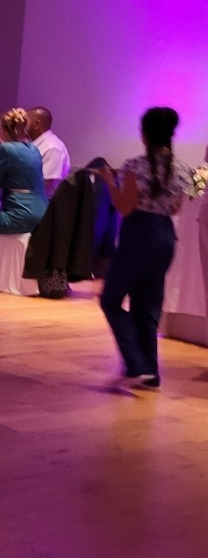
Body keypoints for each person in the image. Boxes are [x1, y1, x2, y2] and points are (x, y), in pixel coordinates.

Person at [97, 107, 194, 391]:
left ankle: (136, 363)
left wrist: (108, 182)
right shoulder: (183, 169)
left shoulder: (133, 167)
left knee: (111, 299)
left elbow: (125, 207)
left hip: (138, 233)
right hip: (165, 235)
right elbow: (176, 207)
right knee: (148, 307)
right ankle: (150, 371)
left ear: (144, 134)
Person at [0, 108, 48, 234]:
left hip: (20, 216)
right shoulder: (34, 149)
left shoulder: (5, 149)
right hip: (43, 213)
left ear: (4, 130)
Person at [28, 106, 71, 195]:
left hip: (45, 205)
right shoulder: (32, 144)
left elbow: (44, 185)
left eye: (26, 121)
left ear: (36, 124)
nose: (22, 125)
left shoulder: (52, 148)